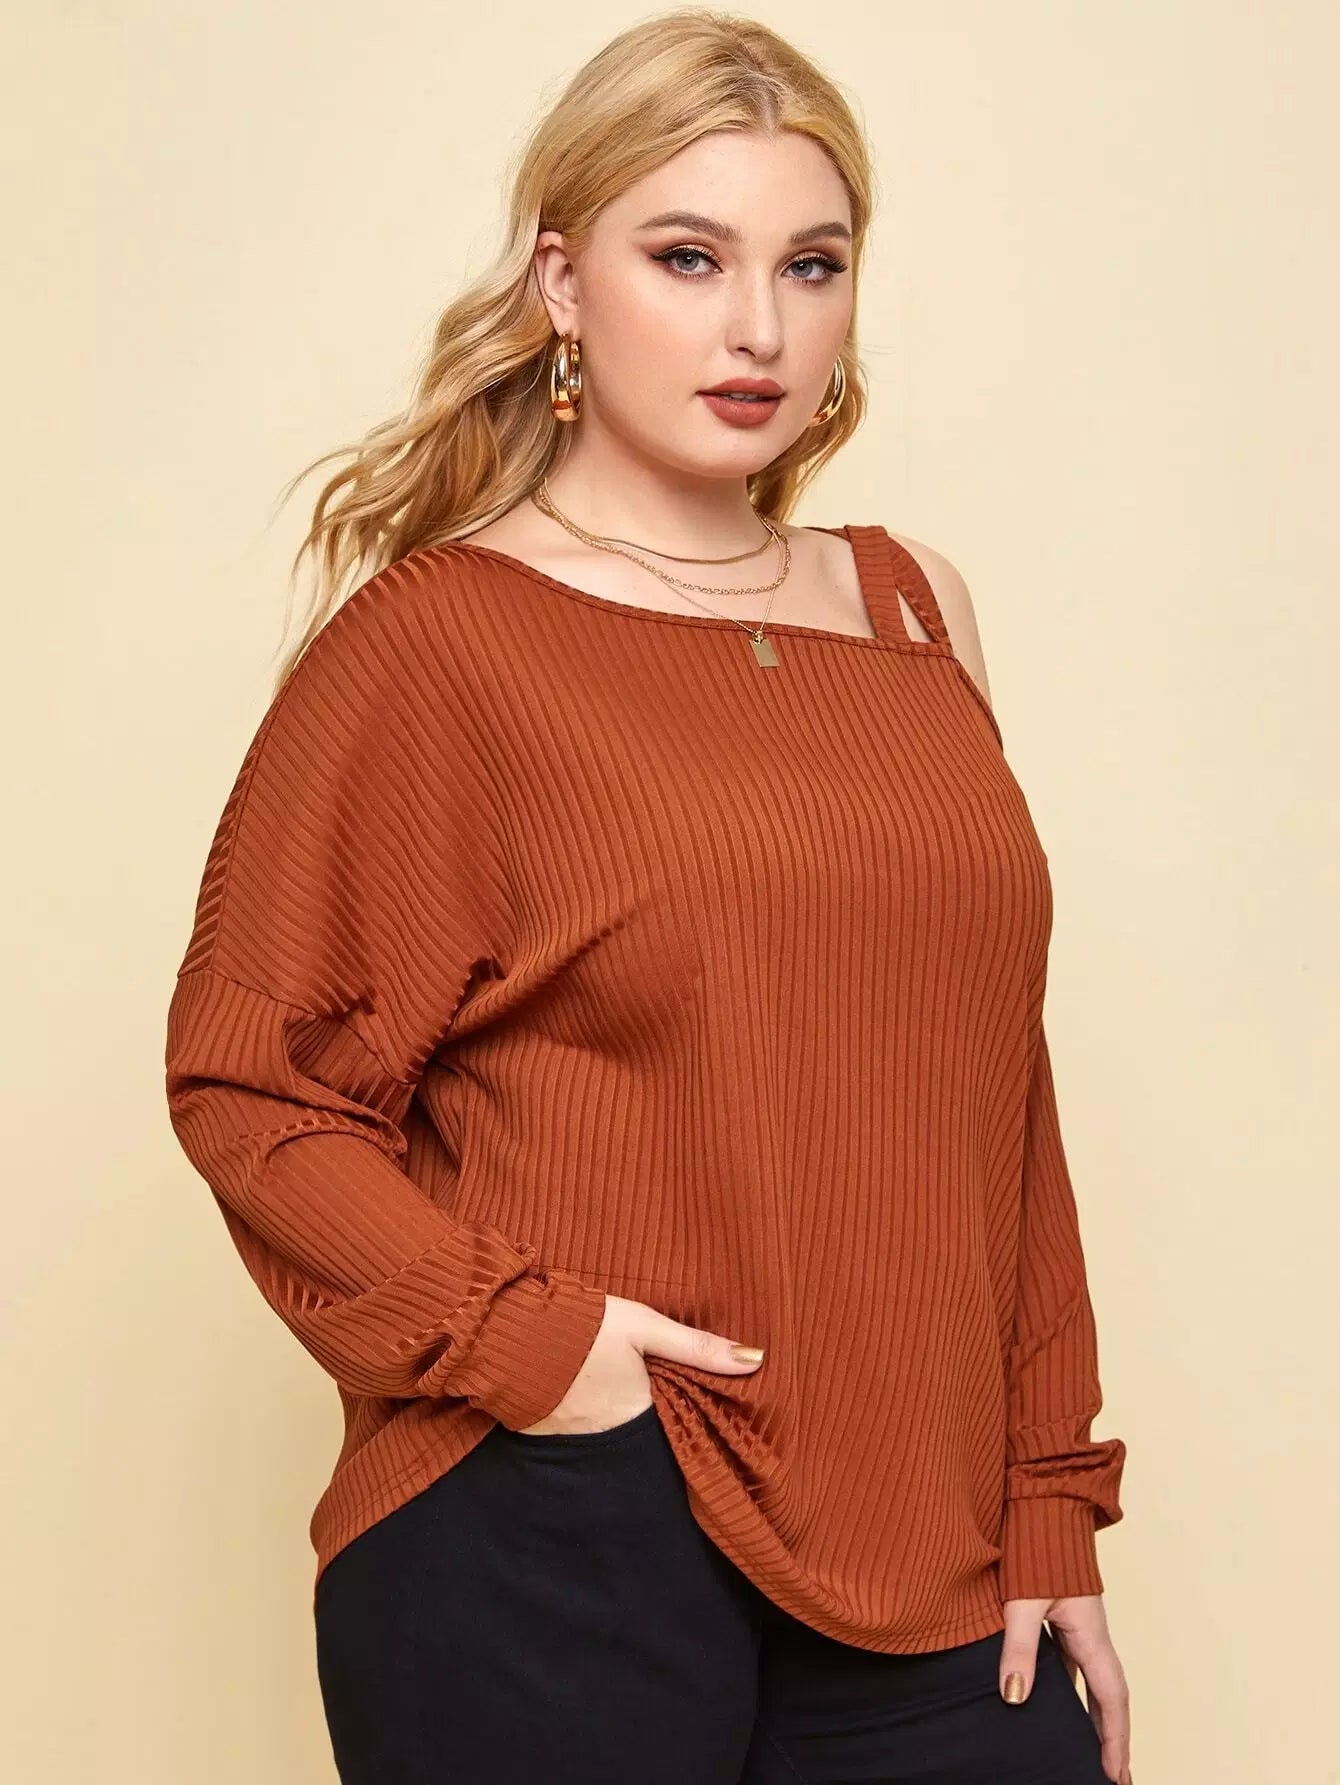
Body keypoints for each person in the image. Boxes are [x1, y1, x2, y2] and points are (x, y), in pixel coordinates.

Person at [163, 10, 1133, 1783]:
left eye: (810, 265)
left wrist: (1047, 1493)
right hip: (565, 1526)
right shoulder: (440, 642)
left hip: (928, 1556)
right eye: (689, 257)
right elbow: (253, 1079)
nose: (760, 326)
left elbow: (998, 1085)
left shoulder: (915, 611)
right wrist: (549, 1353)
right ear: (561, 281)